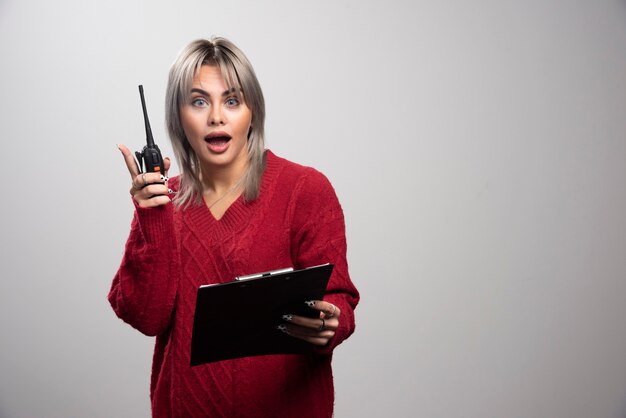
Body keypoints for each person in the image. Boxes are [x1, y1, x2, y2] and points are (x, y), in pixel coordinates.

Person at [109, 37, 359, 417]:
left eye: (231, 100)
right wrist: (153, 217)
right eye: (198, 101)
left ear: (252, 111)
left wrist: (330, 322)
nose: (216, 117)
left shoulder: (305, 190)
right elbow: (147, 317)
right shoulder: (162, 202)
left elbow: (339, 298)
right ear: (178, 116)